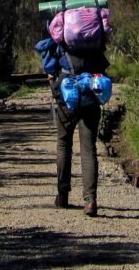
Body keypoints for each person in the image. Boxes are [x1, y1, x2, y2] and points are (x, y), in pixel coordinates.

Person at [45, 41, 108, 217]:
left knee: (64, 144)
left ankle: (63, 195)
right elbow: (103, 68)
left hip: (67, 98)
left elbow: (50, 69)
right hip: (90, 97)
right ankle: (90, 201)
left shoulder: (60, 39)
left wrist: (53, 87)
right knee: (88, 148)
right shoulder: (94, 41)